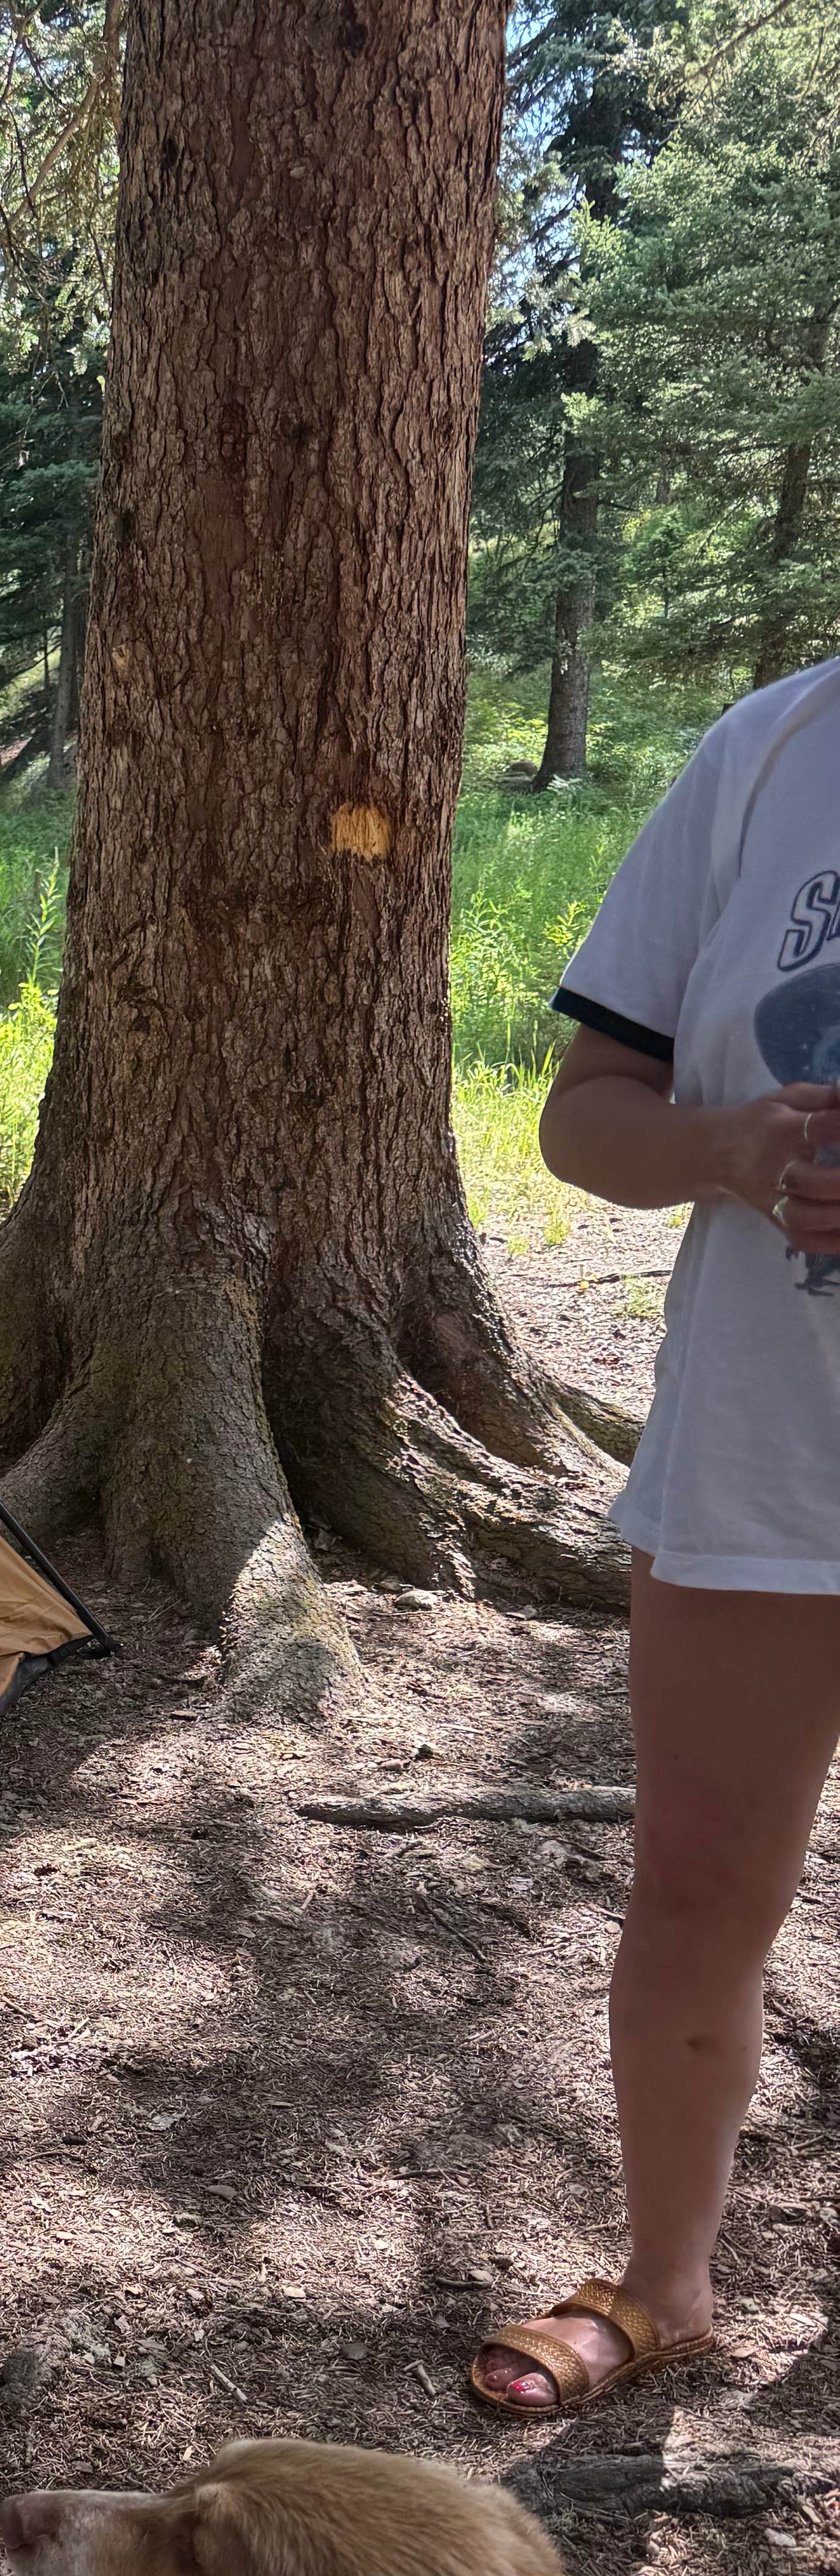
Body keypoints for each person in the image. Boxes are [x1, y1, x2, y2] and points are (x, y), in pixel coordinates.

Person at [473, 657, 840, 2415]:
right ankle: (665, 2287)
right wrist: (731, 1147)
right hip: (765, 1464)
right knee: (697, 1889)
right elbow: (579, 1117)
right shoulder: (770, 749)